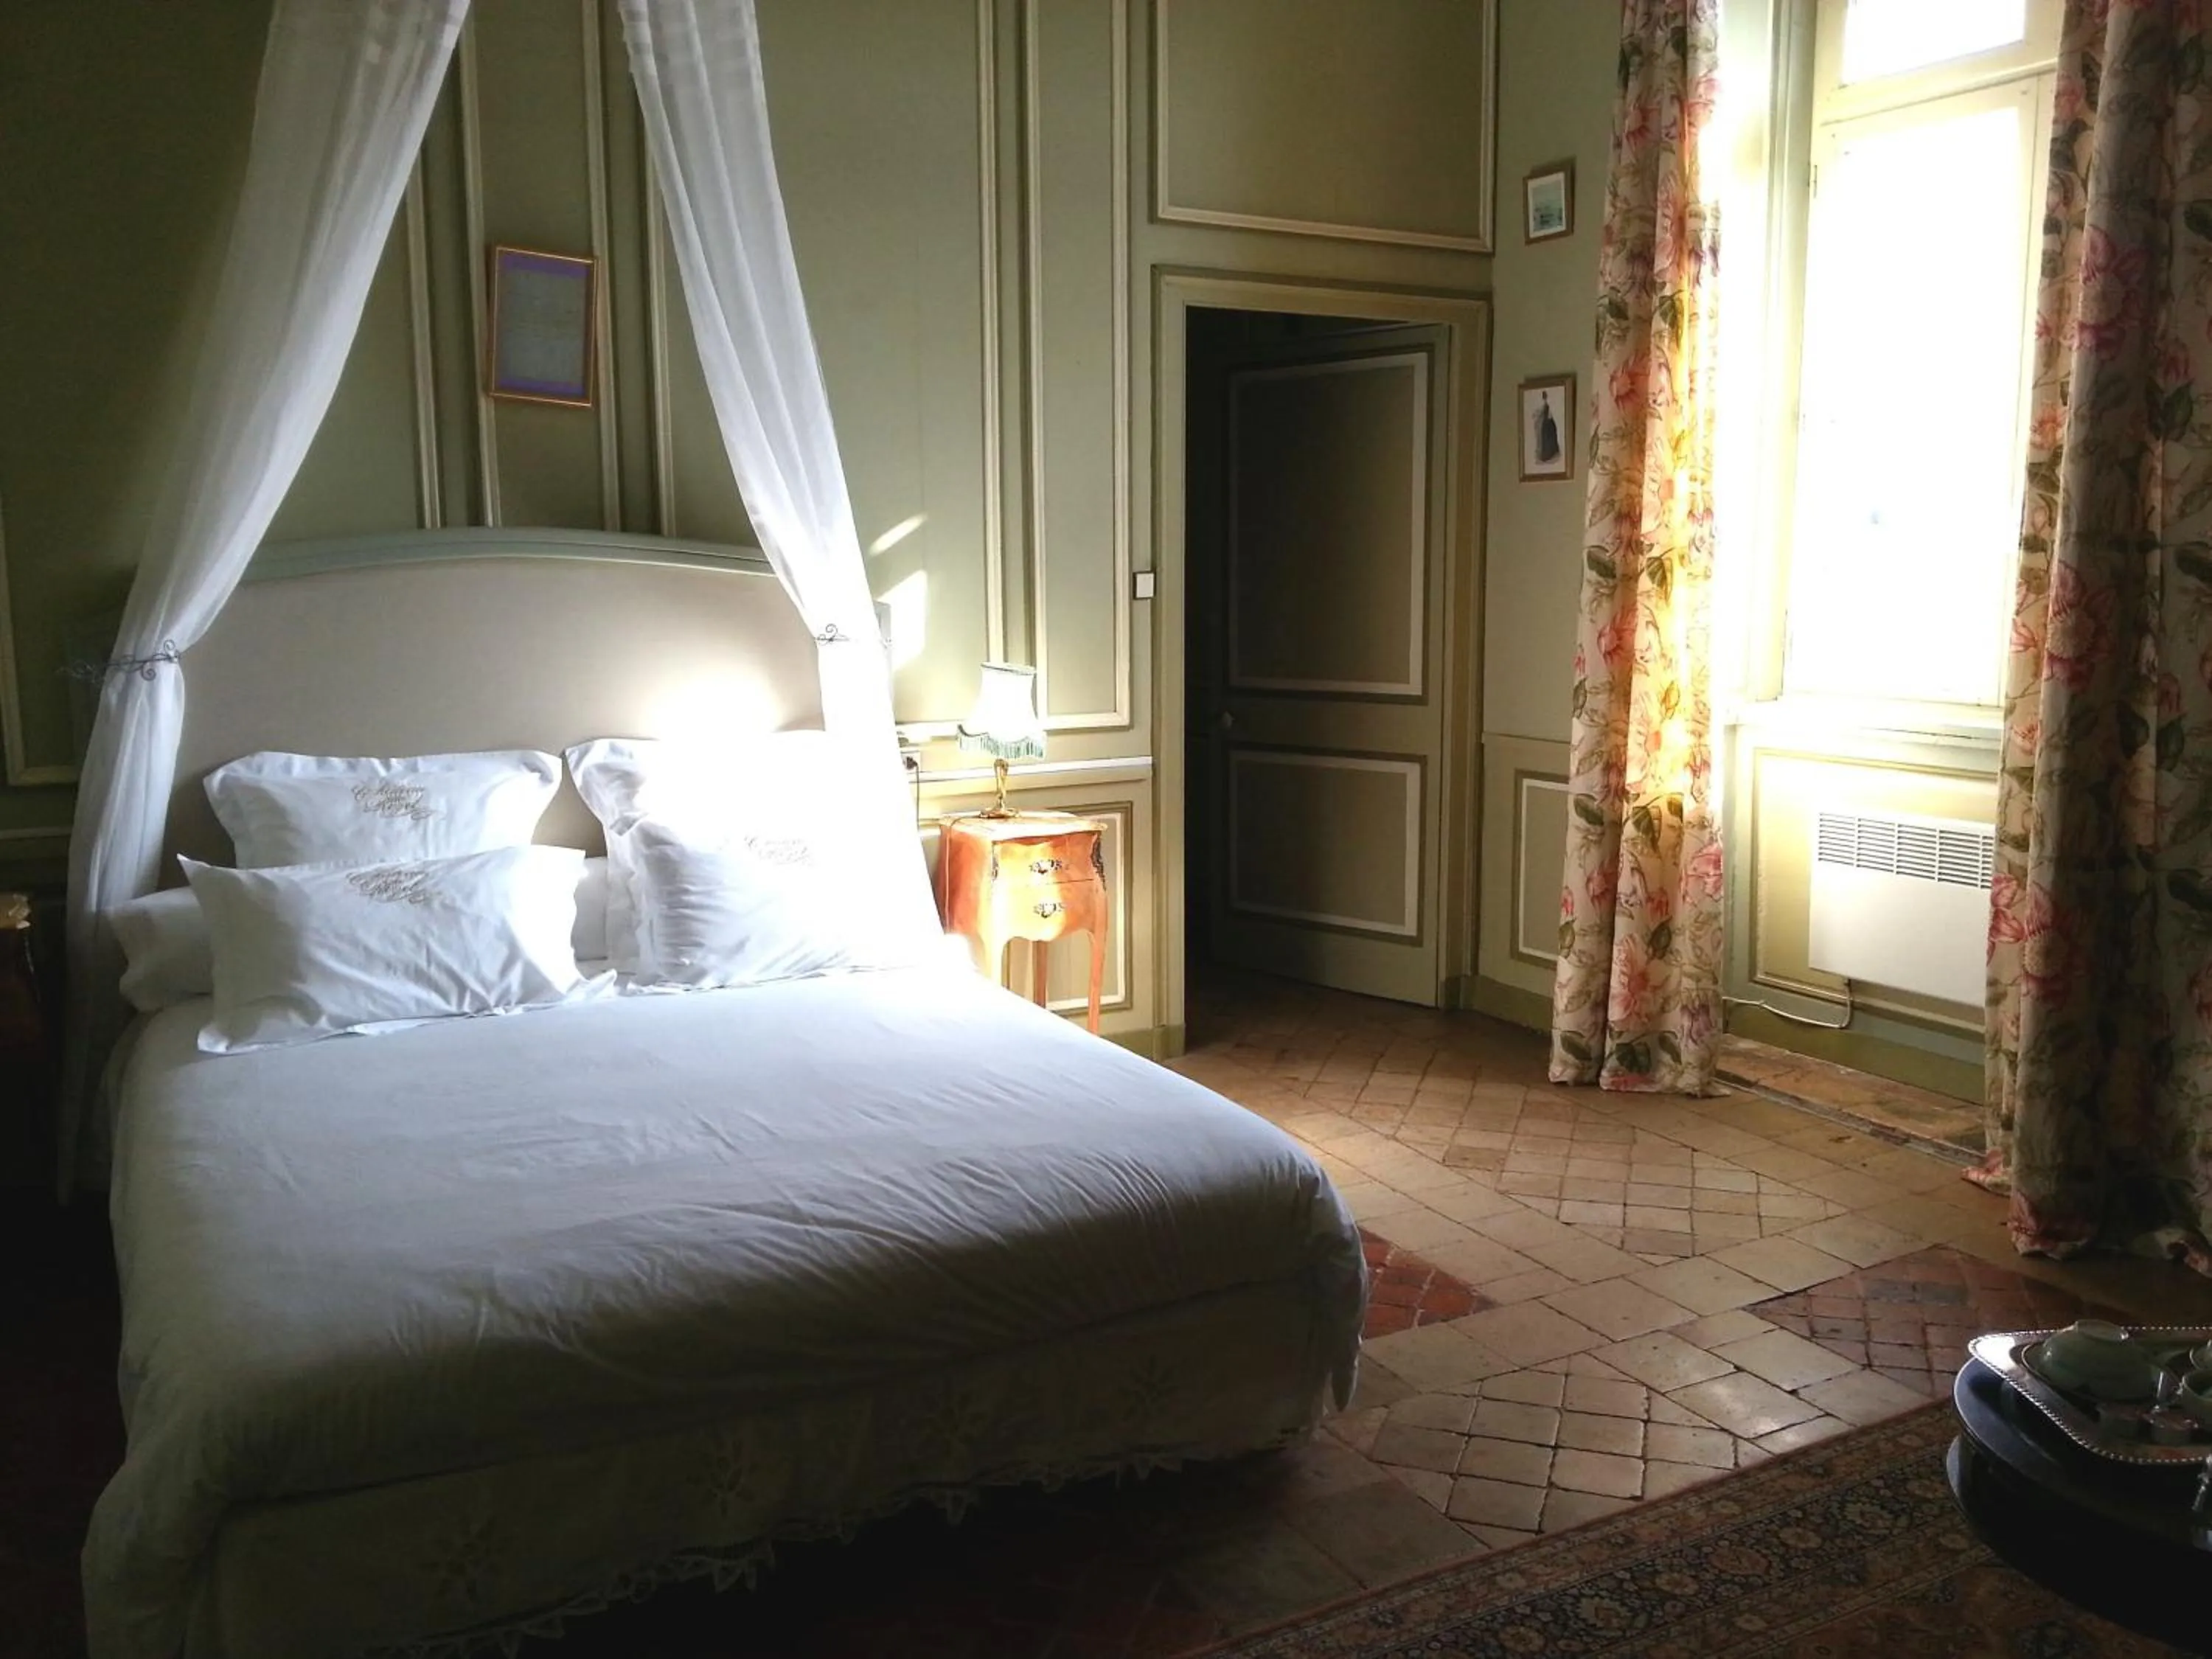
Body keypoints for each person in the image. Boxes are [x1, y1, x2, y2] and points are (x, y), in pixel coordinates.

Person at [1534, 392, 1561, 467]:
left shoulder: (1548, 405)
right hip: (1546, 424)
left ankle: (1549, 454)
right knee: (1546, 439)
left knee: (1549, 439)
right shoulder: (1543, 405)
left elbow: (1549, 414)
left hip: (1548, 424)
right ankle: (1546, 455)